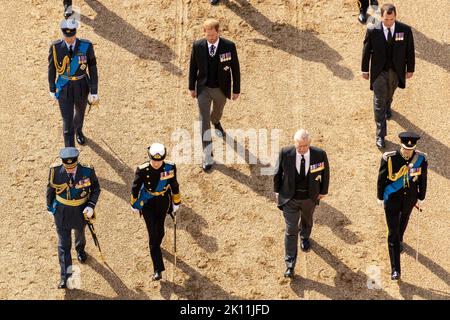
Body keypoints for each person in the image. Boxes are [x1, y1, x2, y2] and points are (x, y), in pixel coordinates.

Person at [274, 129, 330, 278]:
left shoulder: (319, 154)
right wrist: (277, 191)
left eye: (305, 146)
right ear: (294, 143)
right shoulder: (285, 153)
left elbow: (325, 173)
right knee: (291, 229)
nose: (302, 149)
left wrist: (323, 191)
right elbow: (277, 173)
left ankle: (305, 236)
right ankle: (290, 264)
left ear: (309, 144)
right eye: (299, 146)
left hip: (309, 198)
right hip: (289, 199)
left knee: (307, 220)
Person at [189, 18, 241, 171]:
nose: (211, 38)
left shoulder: (229, 46)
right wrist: (192, 87)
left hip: (221, 89)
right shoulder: (197, 46)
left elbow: (235, 69)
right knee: (203, 120)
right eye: (208, 35)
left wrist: (236, 89)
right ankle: (207, 154)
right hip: (203, 89)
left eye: (213, 35)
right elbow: (193, 67)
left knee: (217, 112)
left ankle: (216, 121)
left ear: (218, 32)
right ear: (204, 33)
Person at [361, 3, 415, 148]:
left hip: (396, 72)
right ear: (381, 17)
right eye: (386, 19)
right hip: (379, 72)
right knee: (379, 102)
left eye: (392, 19)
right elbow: (366, 50)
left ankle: (388, 105)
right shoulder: (373, 29)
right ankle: (380, 135)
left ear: (395, 17)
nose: (389, 22)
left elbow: (410, 51)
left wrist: (410, 69)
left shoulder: (405, 30)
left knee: (389, 95)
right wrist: (365, 70)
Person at [47, 147, 101, 289]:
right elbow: (50, 190)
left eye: (72, 167)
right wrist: (49, 207)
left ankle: (80, 249)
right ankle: (66, 277)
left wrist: (91, 205)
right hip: (62, 212)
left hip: (80, 210)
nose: (70, 170)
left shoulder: (88, 171)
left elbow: (96, 188)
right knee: (63, 245)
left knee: (80, 233)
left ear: (77, 162)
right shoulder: (54, 171)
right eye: (67, 167)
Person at [377, 132, 427, 280]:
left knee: (403, 222)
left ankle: (400, 239)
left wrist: (421, 197)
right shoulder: (390, 158)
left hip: (409, 200)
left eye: (410, 149)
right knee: (392, 232)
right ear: (401, 145)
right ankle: (396, 269)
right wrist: (380, 197)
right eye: (405, 148)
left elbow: (422, 179)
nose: (407, 152)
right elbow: (381, 178)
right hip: (392, 199)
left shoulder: (421, 159)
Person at [130, 143, 181, 281]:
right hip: (148, 204)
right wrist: (134, 204)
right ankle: (158, 269)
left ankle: (156, 247)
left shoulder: (170, 167)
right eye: (154, 160)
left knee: (161, 231)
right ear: (150, 157)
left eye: (159, 160)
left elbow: (174, 184)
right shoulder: (142, 170)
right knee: (153, 236)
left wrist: (176, 202)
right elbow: (135, 188)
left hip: (163, 201)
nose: (157, 163)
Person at [48, 18, 99, 147]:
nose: (69, 39)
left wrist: (94, 91)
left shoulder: (86, 46)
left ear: (76, 33)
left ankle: (79, 131)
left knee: (80, 113)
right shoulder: (55, 47)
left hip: (82, 86)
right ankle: (69, 153)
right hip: (64, 87)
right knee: (67, 120)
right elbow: (52, 68)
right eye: (66, 36)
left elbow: (92, 68)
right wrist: (52, 88)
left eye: (71, 36)